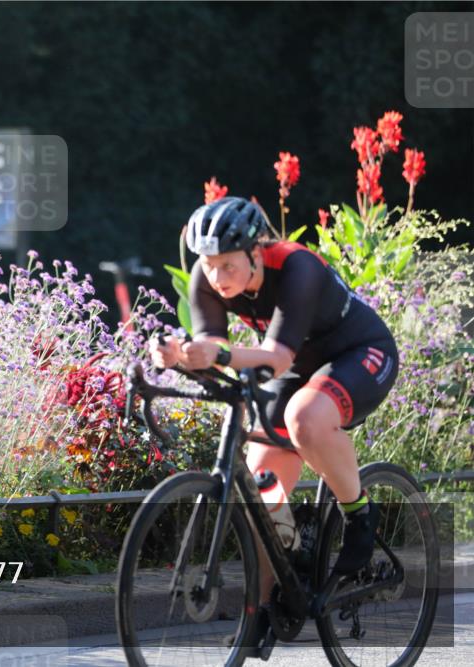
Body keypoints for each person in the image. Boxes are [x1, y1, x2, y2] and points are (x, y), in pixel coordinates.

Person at [150, 196, 398, 657]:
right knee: (261, 495)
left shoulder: (297, 267)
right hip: (299, 369)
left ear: (256, 252)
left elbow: (277, 357)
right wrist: (178, 355)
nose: (217, 277)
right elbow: (213, 349)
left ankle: (360, 513)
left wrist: (219, 354)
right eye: (209, 266)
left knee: (305, 417)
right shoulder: (207, 277)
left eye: (228, 265)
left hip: (360, 353)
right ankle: (268, 607)